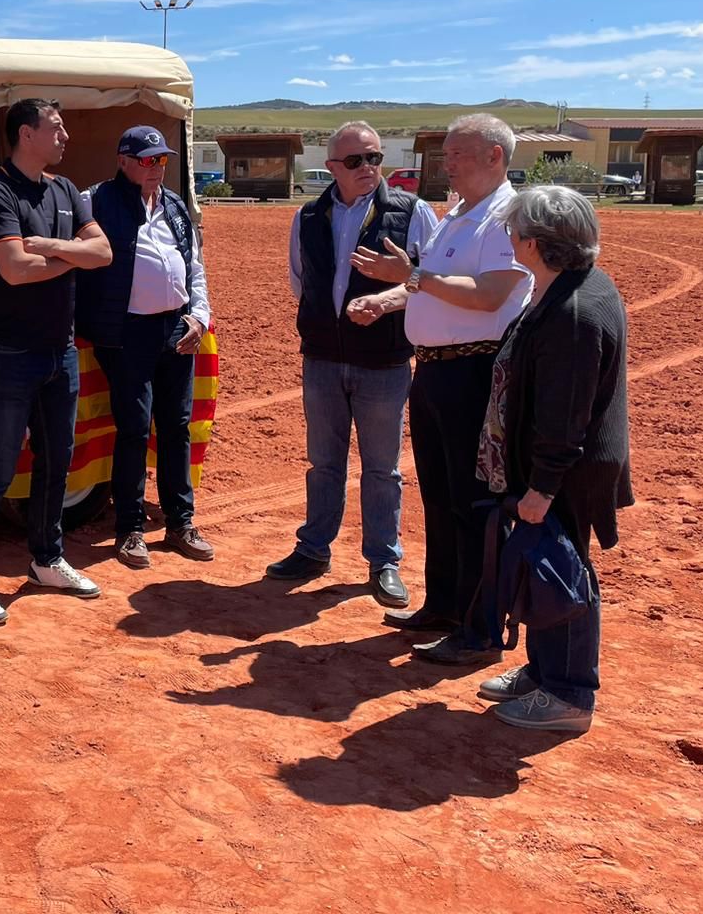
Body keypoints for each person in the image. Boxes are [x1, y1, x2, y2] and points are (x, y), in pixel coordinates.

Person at [349, 112, 532, 664]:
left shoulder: (508, 217)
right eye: (445, 152)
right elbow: (429, 286)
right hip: (434, 371)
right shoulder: (457, 215)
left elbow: (489, 294)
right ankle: (446, 605)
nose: (445, 162)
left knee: (475, 502)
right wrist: (386, 300)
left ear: (495, 156)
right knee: (440, 495)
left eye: (457, 153)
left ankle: (480, 628)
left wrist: (409, 277)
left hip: (476, 372)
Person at [473, 186, 630, 732]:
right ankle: (545, 672)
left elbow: (565, 415)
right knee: (546, 566)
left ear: (534, 243)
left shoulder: (573, 312)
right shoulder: (572, 287)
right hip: (558, 468)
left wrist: (542, 487)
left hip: (564, 473)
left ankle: (567, 693)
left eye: (513, 231)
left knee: (560, 572)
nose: (509, 239)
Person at [0, 98, 113, 625]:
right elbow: (15, 270)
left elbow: (104, 253)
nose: (66, 137)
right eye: (56, 128)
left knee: (56, 462)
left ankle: (47, 559)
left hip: (59, 351)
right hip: (10, 354)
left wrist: (48, 246)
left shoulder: (66, 189)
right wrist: (69, 254)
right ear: (26, 134)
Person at [267, 121, 438, 607]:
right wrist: (329, 322)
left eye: (374, 158)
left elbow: (430, 280)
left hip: (384, 362)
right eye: (355, 160)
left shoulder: (412, 212)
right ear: (332, 168)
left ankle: (383, 561)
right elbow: (301, 281)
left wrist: (383, 303)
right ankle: (313, 549)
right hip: (323, 358)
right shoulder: (308, 215)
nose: (367, 167)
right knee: (323, 463)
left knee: (382, 468)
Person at [76, 125, 215, 570]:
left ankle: (180, 522)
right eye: (147, 160)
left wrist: (199, 316)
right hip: (125, 333)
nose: (157, 168)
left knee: (176, 427)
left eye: (162, 160)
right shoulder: (94, 201)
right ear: (123, 161)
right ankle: (130, 528)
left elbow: (194, 266)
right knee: (134, 428)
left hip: (176, 328)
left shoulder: (174, 205)